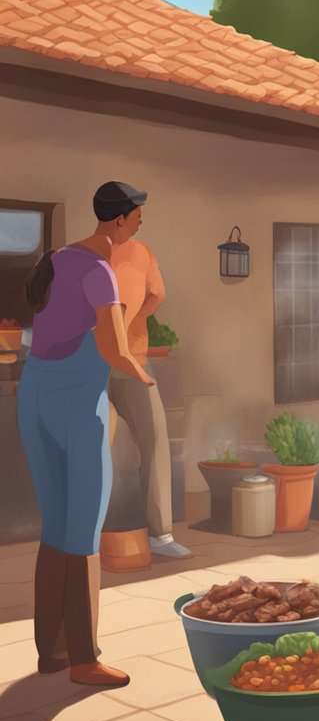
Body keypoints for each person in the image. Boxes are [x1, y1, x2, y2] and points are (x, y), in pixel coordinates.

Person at [19, 181, 156, 687]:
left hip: (34, 398)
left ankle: (50, 653)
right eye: (138, 215)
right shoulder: (101, 272)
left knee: (55, 525)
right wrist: (144, 376)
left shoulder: (56, 258)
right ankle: (84, 658)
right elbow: (116, 351)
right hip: (78, 405)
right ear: (119, 221)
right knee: (82, 531)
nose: (140, 223)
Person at [106, 239, 191, 559]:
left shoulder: (86, 255)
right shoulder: (139, 252)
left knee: (89, 444)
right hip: (133, 358)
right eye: (136, 214)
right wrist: (136, 320)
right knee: (154, 442)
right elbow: (158, 294)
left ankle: (82, 535)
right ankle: (160, 535)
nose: (139, 220)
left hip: (95, 357)